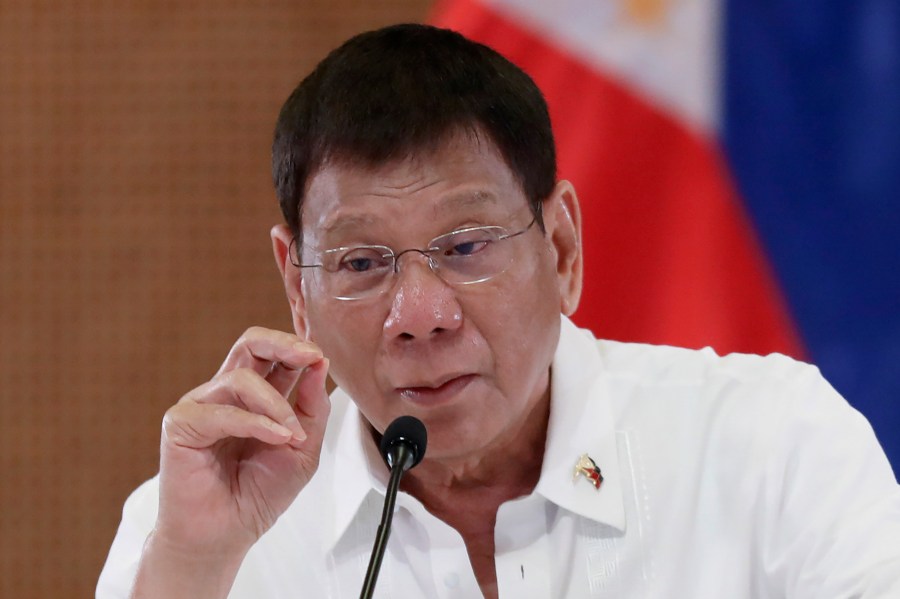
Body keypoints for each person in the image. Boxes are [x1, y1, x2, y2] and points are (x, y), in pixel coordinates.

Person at [97, 24, 900, 598]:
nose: (418, 314)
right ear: (296, 286)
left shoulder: (774, 445)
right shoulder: (201, 529)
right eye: (363, 263)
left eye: (467, 245)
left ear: (561, 248)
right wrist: (194, 570)